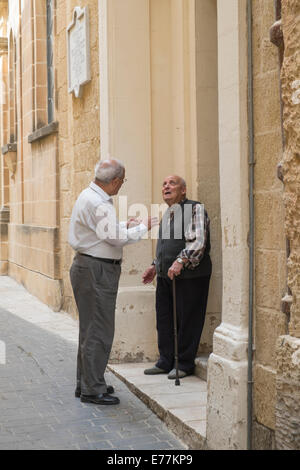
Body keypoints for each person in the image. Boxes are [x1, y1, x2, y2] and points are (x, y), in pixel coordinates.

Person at [69, 158, 158, 405]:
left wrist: (124, 225)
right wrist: (142, 227)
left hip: (88, 267)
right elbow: (115, 239)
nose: (121, 187)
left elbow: (103, 231)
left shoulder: (90, 196)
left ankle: (87, 382)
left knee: (90, 329)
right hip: (96, 270)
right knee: (99, 329)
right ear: (116, 181)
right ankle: (92, 389)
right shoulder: (99, 202)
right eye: (122, 182)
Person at [142, 175, 211, 379]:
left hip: (190, 276)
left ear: (184, 190)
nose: (166, 186)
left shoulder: (194, 209)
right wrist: (155, 265)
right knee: (164, 319)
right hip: (166, 275)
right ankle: (165, 361)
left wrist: (181, 261)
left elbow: (198, 242)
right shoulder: (169, 213)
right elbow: (167, 246)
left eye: (172, 183)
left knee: (187, 320)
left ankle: (185, 363)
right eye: (163, 184)